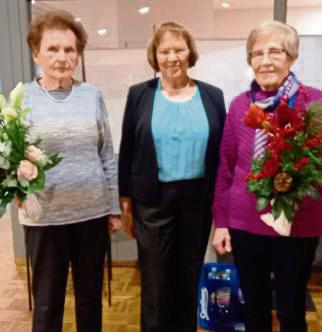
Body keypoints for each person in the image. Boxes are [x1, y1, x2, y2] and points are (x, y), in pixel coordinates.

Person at [212, 21, 322, 332]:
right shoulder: (239, 107)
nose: (265, 60)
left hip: (298, 226)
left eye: (275, 51)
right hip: (246, 223)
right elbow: (226, 167)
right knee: (254, 311)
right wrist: (221, 222)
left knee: (290, 311)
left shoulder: (314, 103)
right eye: (257, 53)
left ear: (291, 56)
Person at [118, 22, 226, 332]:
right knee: (155, 281)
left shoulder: (212, 96)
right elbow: (128, 148)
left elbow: (222, 152)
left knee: (189, 276)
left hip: (197, 200)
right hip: (152, 200)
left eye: (179, 49)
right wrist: (124, 200)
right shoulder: (139, 94)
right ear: (155, 56)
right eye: (164, 51)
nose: (172, 57)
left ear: (190, 53)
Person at [22, 10, 121, 332]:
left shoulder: (90, 95)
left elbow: (106, 152)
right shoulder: (22, 98)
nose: (62, 57)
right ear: (36, 52)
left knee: (90, 299)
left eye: (69, 49)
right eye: (53, 49)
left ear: (78, 54)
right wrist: (16, 192)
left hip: (91, 216)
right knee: (48, 303)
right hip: (44, 218)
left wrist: (113, 207)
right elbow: (4, 157)